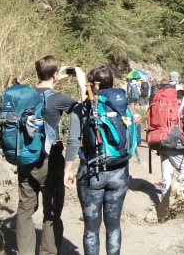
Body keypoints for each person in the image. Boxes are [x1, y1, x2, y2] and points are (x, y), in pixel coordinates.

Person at [15, 56, 79, 255]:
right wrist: (79, 79)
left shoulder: (23, 95)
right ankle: (48, 252)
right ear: (55, 75)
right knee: (51, 211)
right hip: (51, 162)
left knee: (25, 210)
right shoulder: (59, 99)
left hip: (25, 160)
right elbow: (84, 110)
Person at [64, 65, 131, 255]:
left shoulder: (82, 108)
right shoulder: (122, 105)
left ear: (92, 85)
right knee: (114, 226)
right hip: (119, 172)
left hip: (91, 173)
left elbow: (73, 140)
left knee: (91, 229)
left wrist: (67, 170)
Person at [159, 71, 184, 199]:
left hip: (162, 143)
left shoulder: (164, 108)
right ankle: (179, 196)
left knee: (166, 174)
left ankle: (164, 201)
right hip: (176, 144)